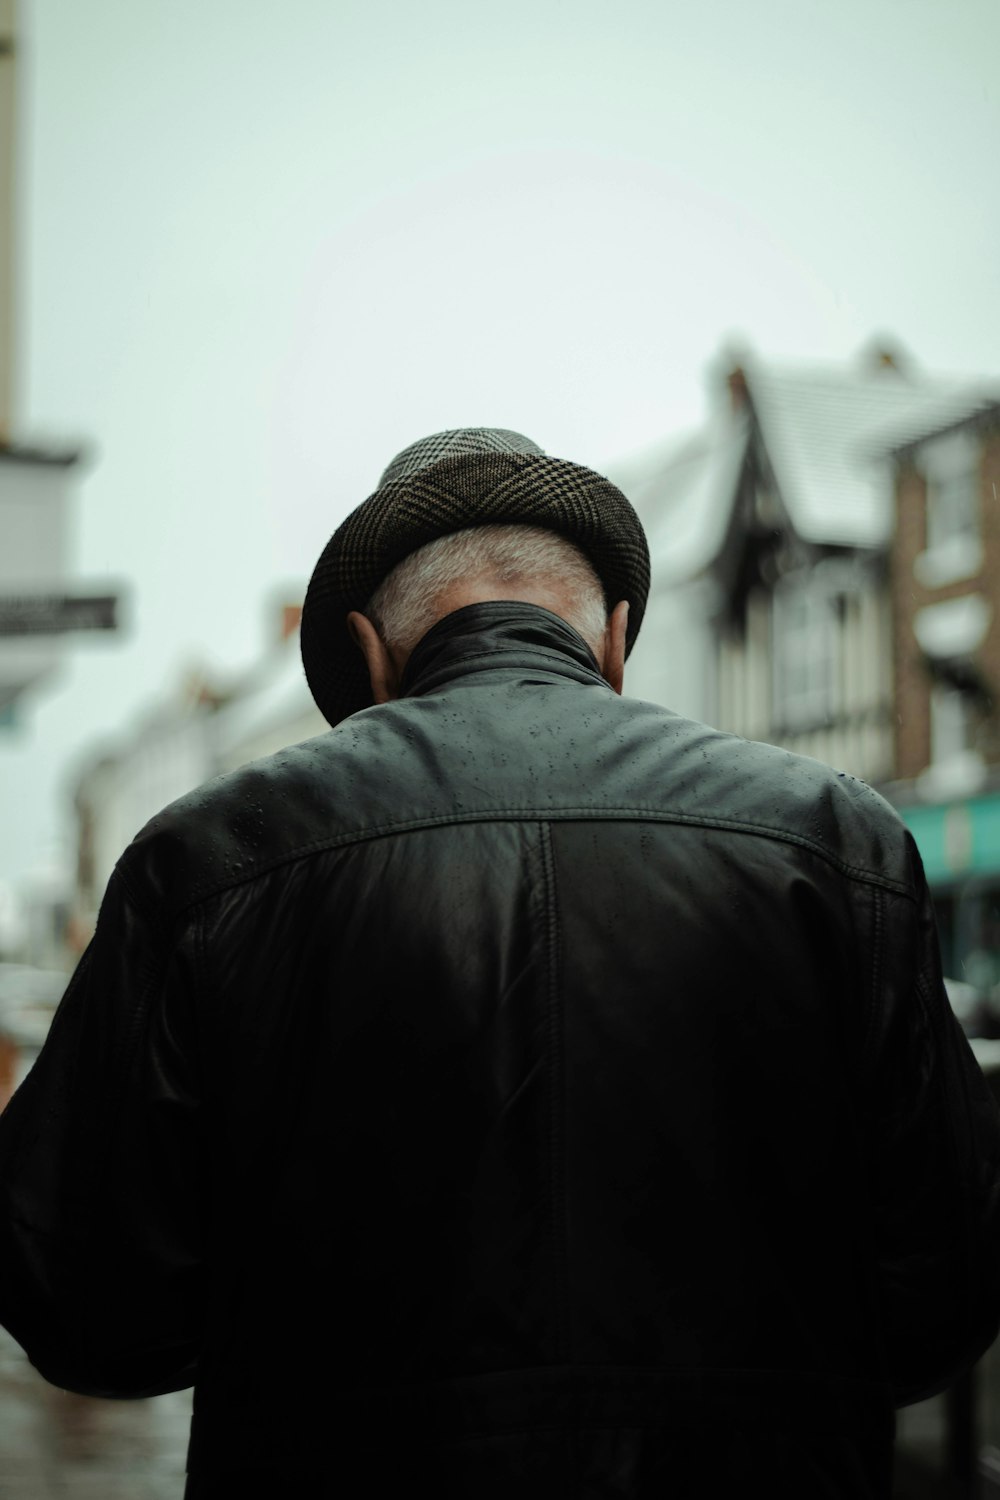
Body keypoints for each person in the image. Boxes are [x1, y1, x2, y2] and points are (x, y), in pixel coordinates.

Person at [1, 426, 999, 1499]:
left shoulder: (205, 862)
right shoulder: (836, 841)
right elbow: (941, 1296)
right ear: (613, 642)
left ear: (372, 655)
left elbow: (84, 1308)